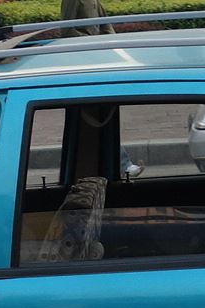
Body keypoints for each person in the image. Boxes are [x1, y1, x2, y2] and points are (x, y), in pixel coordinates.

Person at [59, 0, 142, 177]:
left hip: (97, 62)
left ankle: (118, 164)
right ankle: (122, 164)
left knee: (103, 115)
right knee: (95, 117)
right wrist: (93, 45)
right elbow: (66, 30)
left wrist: (113, 47)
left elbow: (106, 25)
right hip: (85, 63)